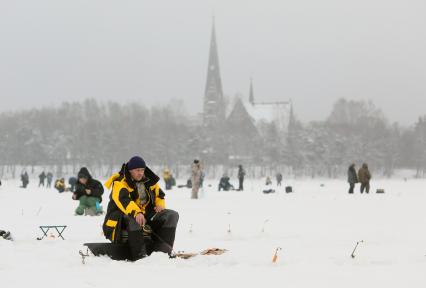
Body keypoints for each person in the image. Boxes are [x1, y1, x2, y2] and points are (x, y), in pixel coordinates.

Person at [103, 156, 179, 261]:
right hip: (120, 219)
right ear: (130, 171)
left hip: (143, 215)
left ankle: (164, 251)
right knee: (134, 218)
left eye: (142, 170)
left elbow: (159, 195)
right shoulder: (119, 183)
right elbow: (124, 200)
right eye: (137, 170)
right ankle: (140, 255)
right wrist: (137, 212)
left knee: (172, 215)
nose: (140, 173)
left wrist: (160, 205)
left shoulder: (148, 181)